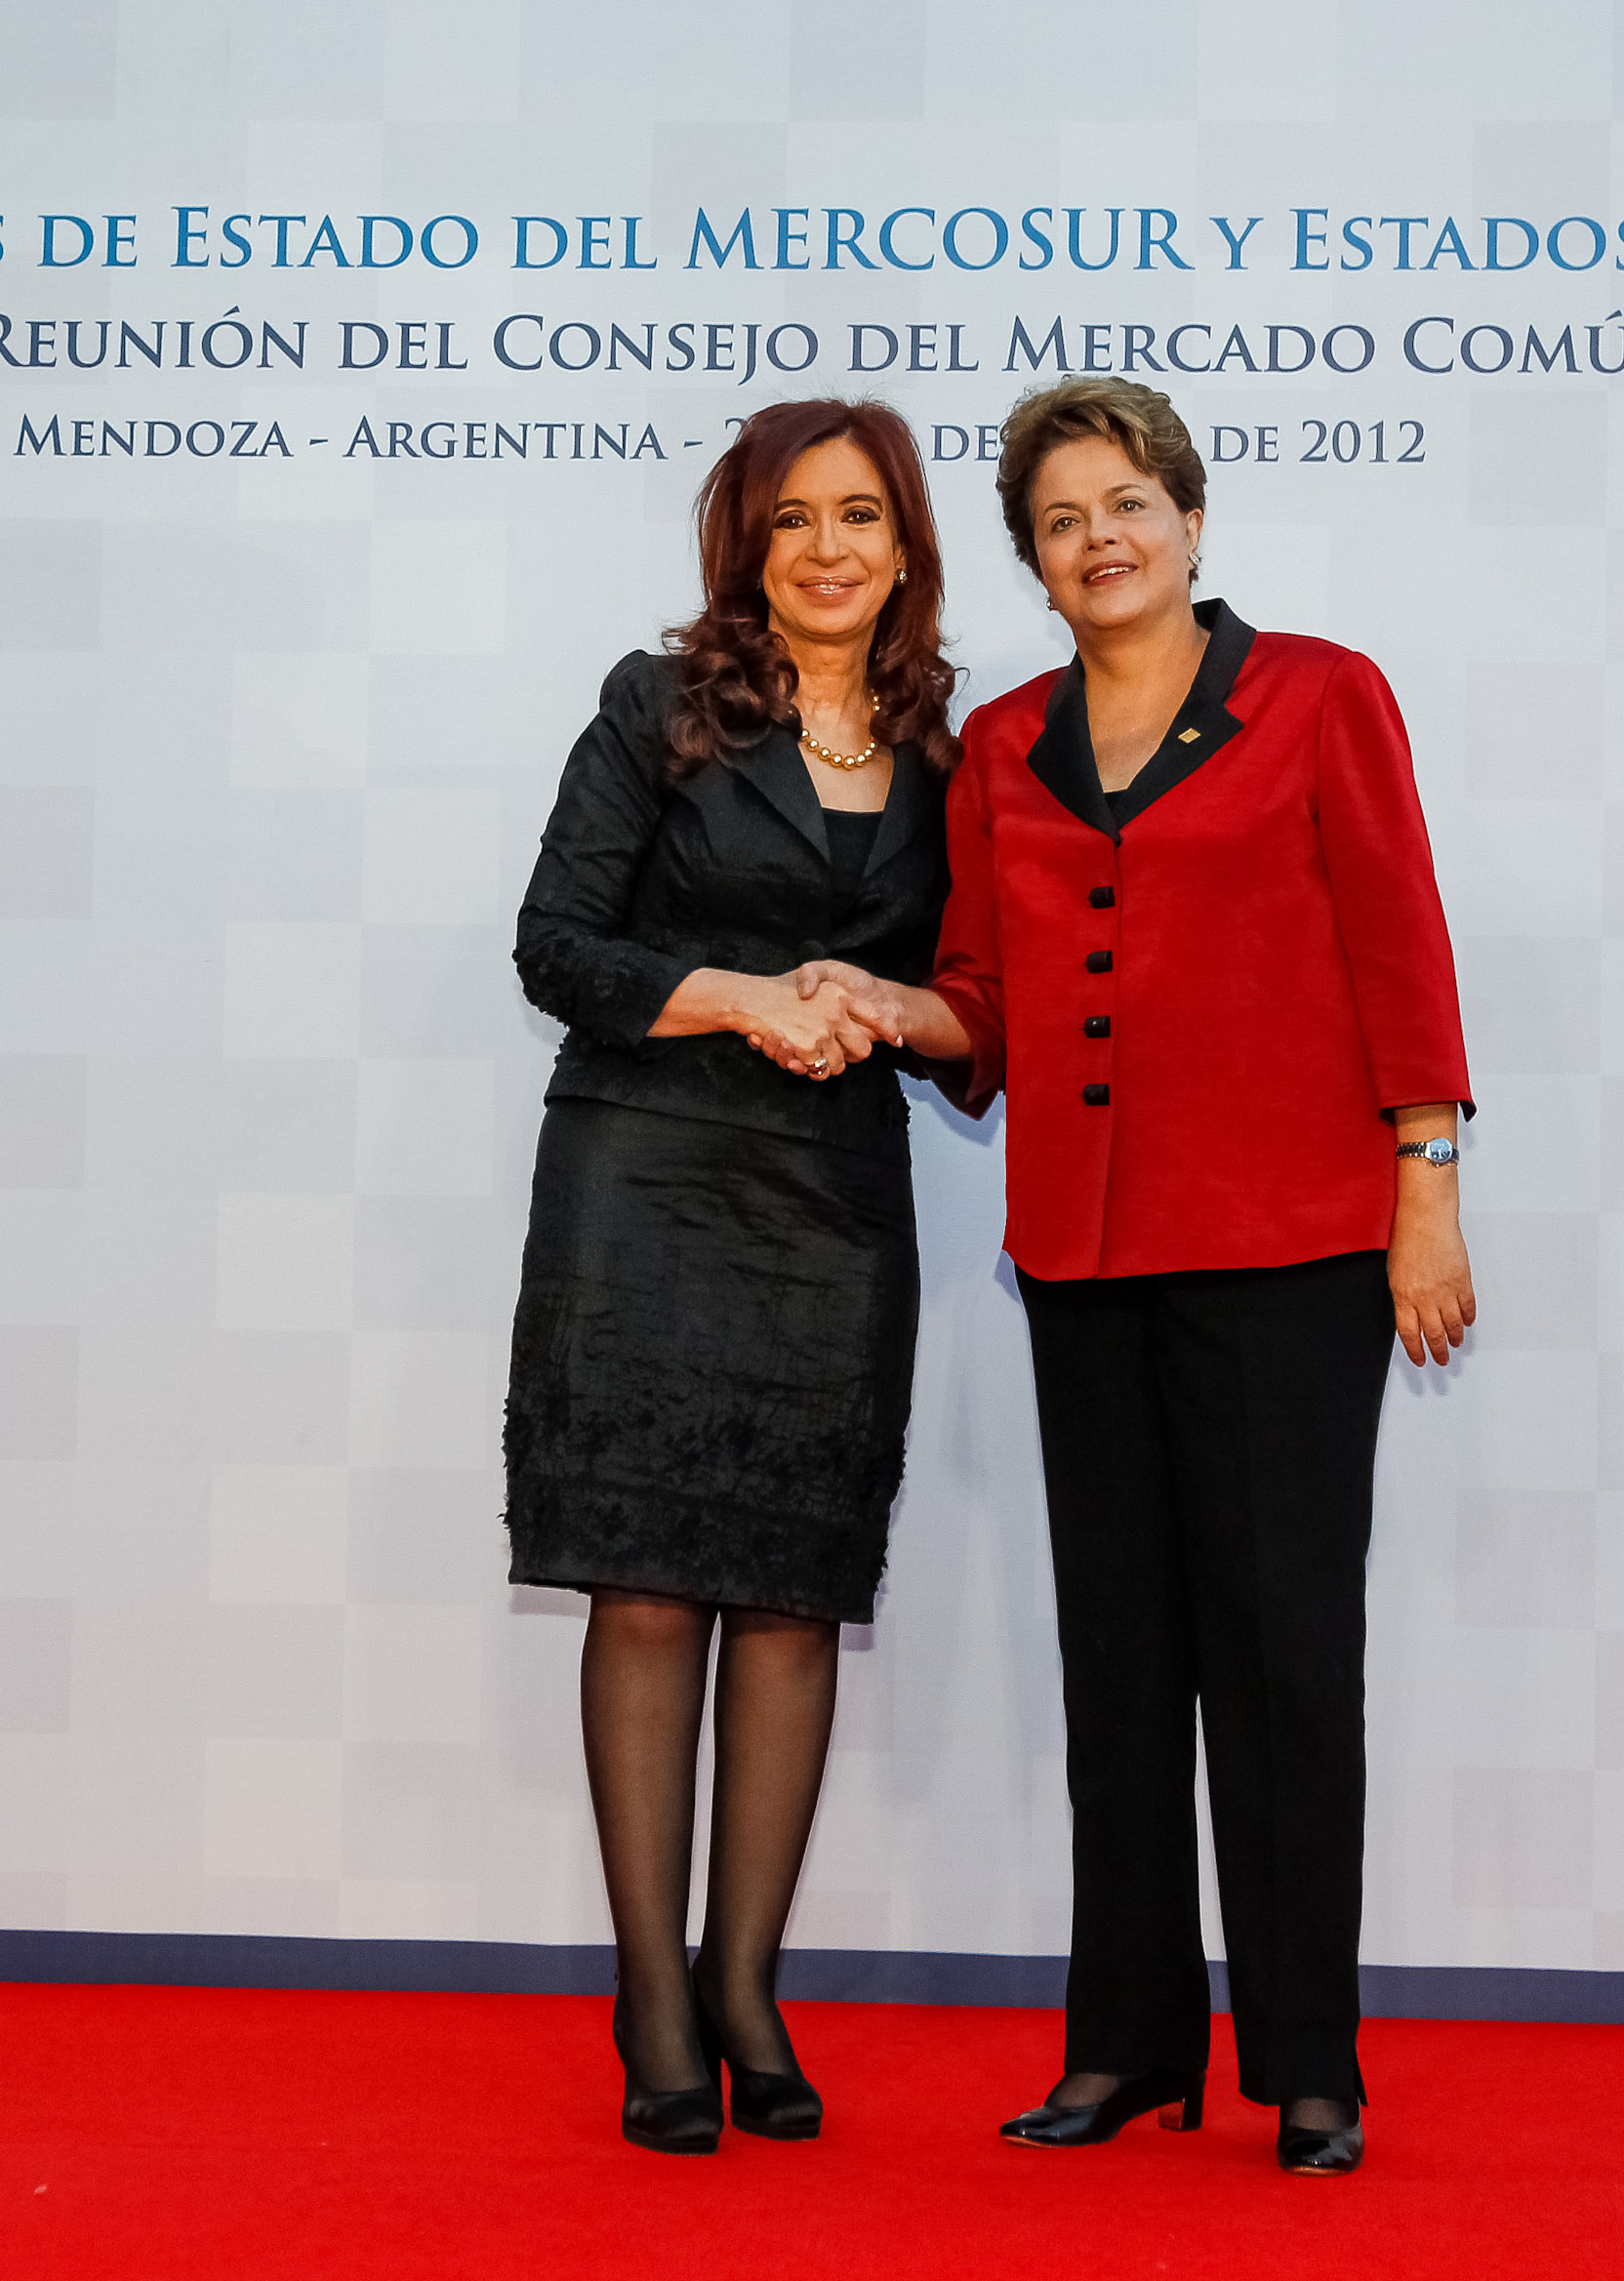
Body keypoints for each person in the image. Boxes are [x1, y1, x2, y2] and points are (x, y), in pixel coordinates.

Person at [798, 376, 1474, 2178]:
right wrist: (889, 1011)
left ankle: (1307, 2061)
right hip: (1081, 1250)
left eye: (1127, 504)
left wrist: (1428, 1185)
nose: (1099, 538)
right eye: (1061, 520)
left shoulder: (1321, 693)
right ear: (1030, 559)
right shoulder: (1005, 745)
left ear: (1189, 516)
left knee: (1280, 1660)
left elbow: (1400, 944)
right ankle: (1125, 2044)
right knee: (1120, 1660)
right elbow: (988, 1000)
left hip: (1293, 1246)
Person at [506, 398, 957, 2155]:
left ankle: (748, 1976)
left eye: (859, 517)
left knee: (789, 1591)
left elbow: (973, 1007)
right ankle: (651, 1997)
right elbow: (559, 943)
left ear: (907, 544)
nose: (828, 549)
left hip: (835, 1202)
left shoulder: (956, 751)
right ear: (746, 549)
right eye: (792, 522)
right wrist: (747, 994)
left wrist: (893, 1009)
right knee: (646, 1583)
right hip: (647, 1172)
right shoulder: (657, 705)